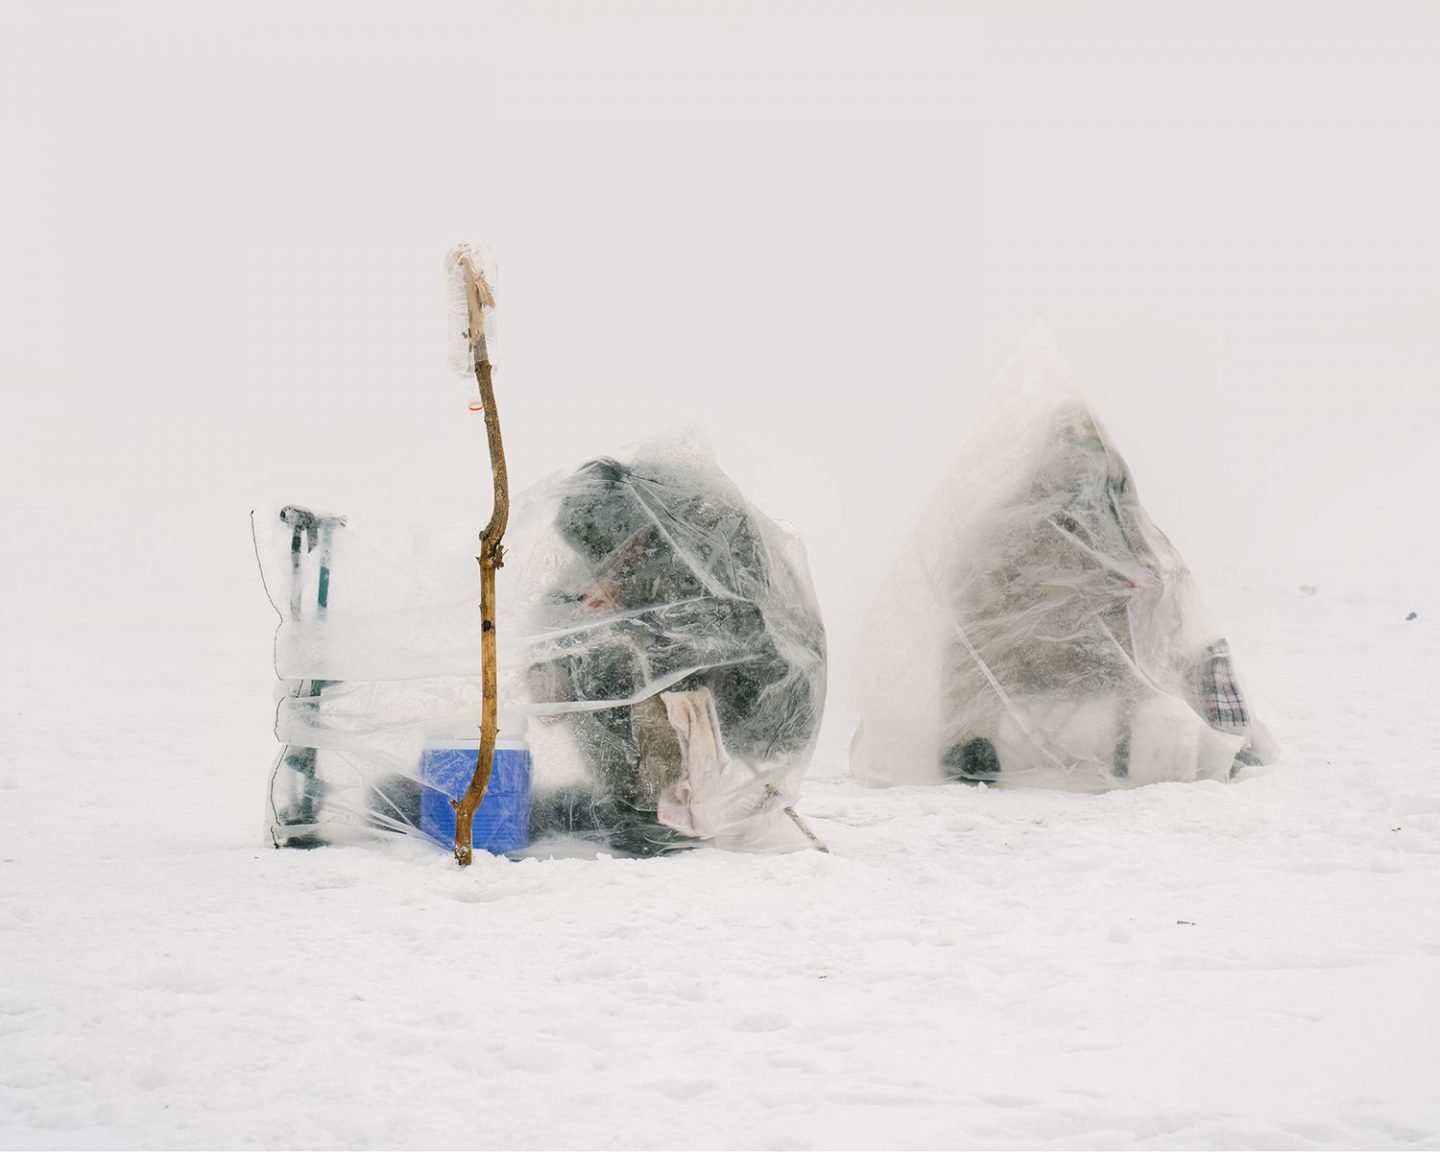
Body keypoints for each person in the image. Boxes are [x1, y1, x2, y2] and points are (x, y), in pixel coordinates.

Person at [524, 455, 825, 853]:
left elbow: (720, 636)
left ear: (632, 526)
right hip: (694, 684)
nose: (607, 561)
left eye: (613, 549)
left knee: (649, 679)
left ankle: (660, 817)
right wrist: (552, 669)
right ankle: (625, 802)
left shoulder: (705, 539)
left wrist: (624, 603)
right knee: (592, 669)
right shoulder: (624, 551)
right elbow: (560, 609)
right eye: (600, 555)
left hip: (762, 694)